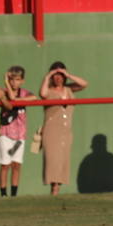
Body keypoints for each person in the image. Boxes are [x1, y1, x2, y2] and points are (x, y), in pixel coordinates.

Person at [40, 62, 86, 196]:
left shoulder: (69, 89)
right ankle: (53, 190)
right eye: (56, 75)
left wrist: (68, 75)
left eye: (60, 75)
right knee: (52, 160)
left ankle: (57, 190)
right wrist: (48, 76)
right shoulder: (49, 90)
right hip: (51, 130)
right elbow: (43, 93)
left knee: (63, 160)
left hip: (66, 131)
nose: (58, 78)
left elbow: (84, 84)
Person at [0, 66, 32, 197]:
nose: (13, 83)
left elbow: (34, 98)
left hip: (20, 135)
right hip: (6, 133)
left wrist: (19, 100)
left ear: (22, 80)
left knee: (16, 164)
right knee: (5, 164)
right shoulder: (3, 91)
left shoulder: (25, 93)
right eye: (11, 79)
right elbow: (10, 98)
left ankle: (13, 195)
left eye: (17, 80)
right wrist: (5, 83)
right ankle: (3, 194)